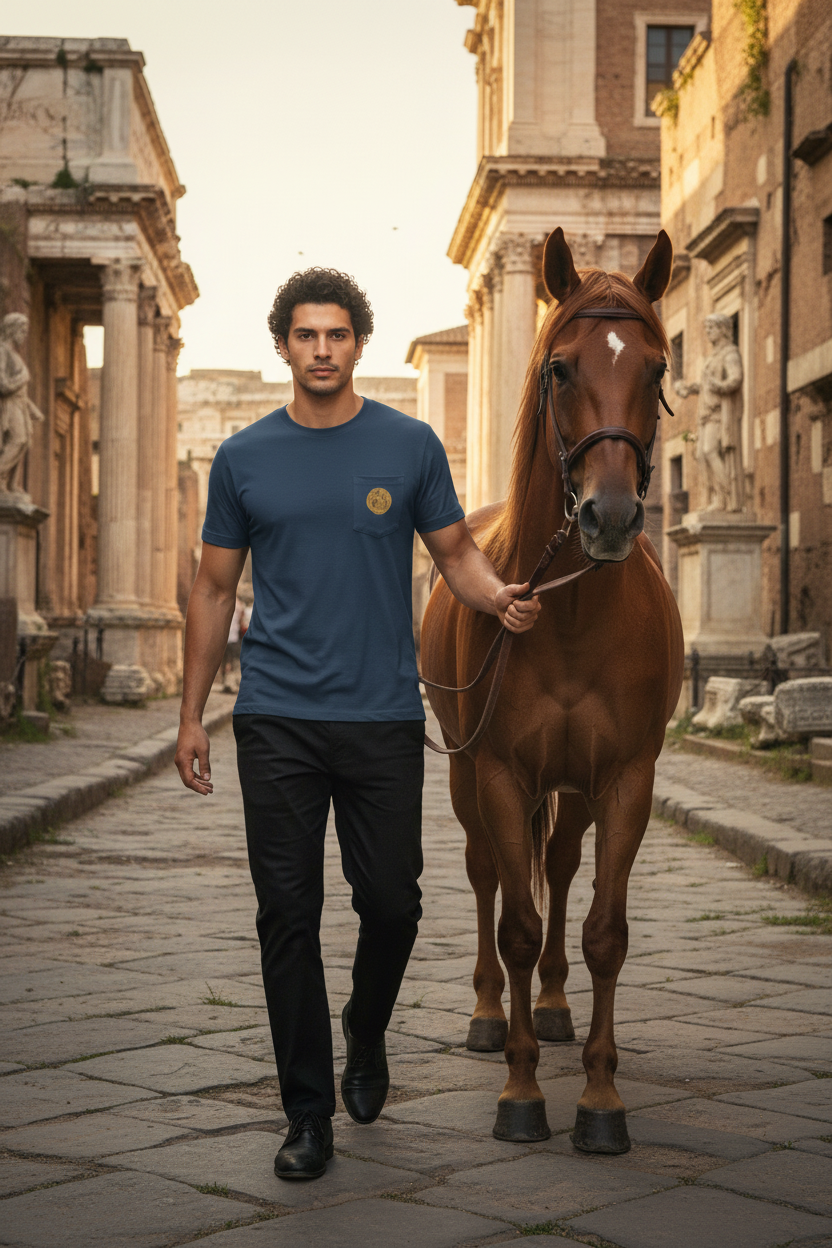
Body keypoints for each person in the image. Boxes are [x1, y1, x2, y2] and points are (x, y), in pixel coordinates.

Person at [174, 267, 540, 1181]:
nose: (323, 349)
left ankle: (364, 1031)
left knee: (394, 904)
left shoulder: (408, 445)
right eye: (307, 335)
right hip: (276, 721)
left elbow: (456, 554)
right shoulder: (243, 458)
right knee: (286, 918)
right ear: (285, 346)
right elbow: (215, 589)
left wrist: (499, 599)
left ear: (358, 345)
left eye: (337, 335)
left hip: (380, 716)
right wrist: (192, 716)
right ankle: (307, 1114)